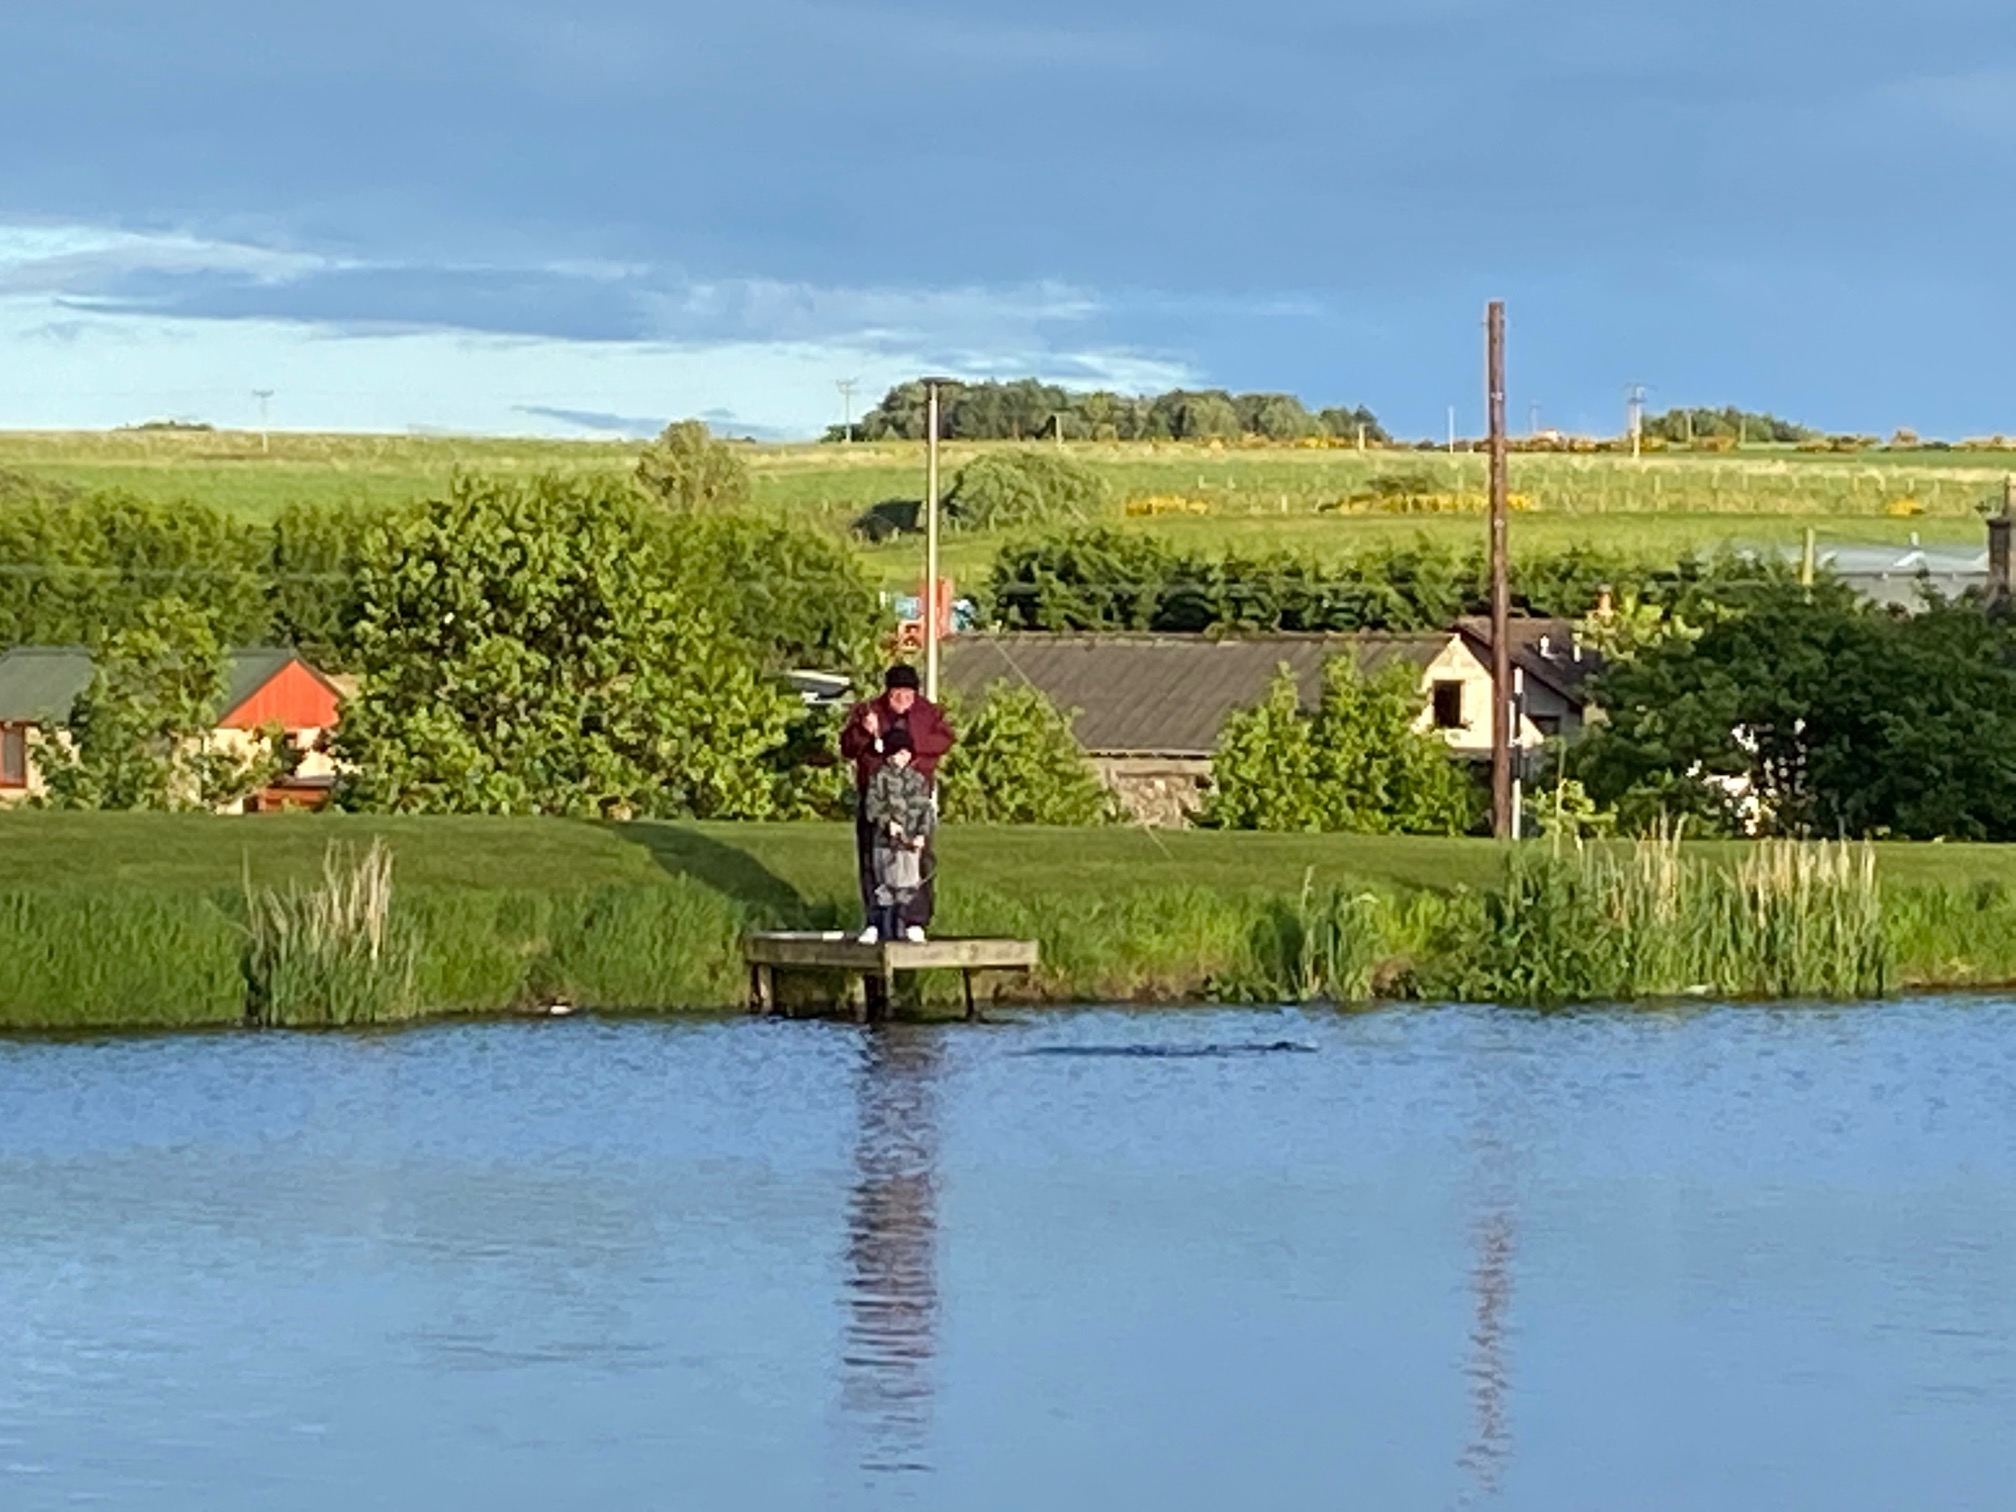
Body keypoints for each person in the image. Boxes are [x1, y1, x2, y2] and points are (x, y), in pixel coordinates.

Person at [839, 664, 955, 941]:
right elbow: (847, 747)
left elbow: (945, 740)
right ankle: (875, 920)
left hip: (914, 802)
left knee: (918, 858)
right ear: (887, 692)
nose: (903, 699)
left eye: (908, 694)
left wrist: (910, 746)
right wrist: (864, 731)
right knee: (874, 859)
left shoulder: (929, 713)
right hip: (877, 799)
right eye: (897, 693)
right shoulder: (869, 711)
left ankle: (915, 920)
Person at [861, 727, 936, 944]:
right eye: (898, 753)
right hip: (885, 844)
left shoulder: (918, 780)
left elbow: (926, 811)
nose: (902, 758)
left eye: (906, 753)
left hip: (909, 845)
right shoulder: (879, 778)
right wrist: (887, 823)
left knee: (909, 886)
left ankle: (909, 925)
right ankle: (878, 926)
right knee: (884, 888)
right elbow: (872, 808)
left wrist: (922, 834)